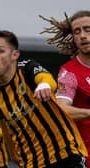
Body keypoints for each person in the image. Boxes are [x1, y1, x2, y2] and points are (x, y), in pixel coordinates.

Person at [0, 30, 88, 168]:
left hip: (65, 155)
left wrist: (44, 85)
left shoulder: (27, 68)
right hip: (31, 163)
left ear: (15, 55)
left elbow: (46, 79)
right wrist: (14, 157)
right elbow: (6, 130)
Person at [40, 10, 90, 167]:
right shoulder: (69, 73)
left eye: (87, 29)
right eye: (77, 31)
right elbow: (61, 108)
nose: (82, 35)